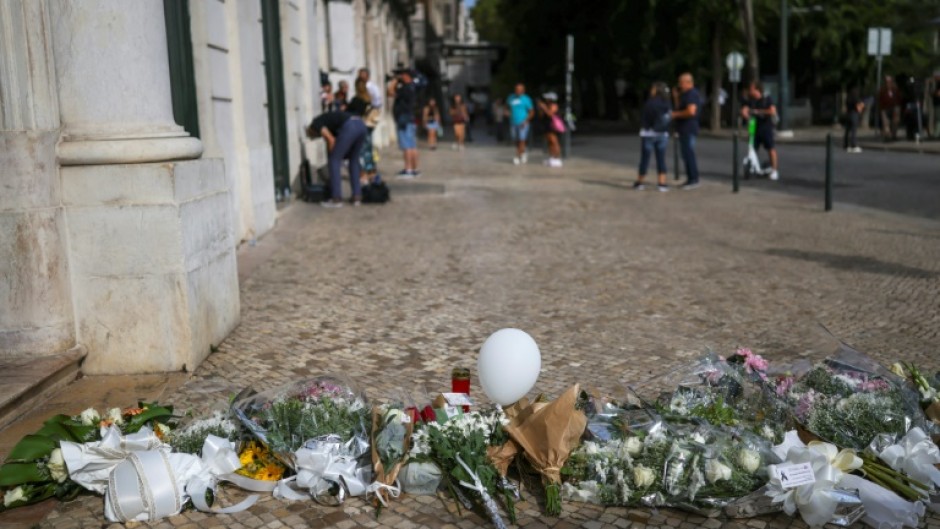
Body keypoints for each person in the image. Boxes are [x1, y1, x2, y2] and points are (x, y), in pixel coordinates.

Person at [306, 111, 368, 207]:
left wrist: (333, 154)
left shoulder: (316, 124)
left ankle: (336, 199)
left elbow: (331, 139)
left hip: (350, 126)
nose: (315, 137)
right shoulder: (329, 124)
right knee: (354, 160)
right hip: (361, 125)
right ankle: (357, 196)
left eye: (313, 136)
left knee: (334, 160)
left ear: (312, 130)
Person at [634, 83, 671, 191]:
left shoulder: (650, 103)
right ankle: (662, 183)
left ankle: (640, 182)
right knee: (661, 158)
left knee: (645, 158)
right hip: (662, 133)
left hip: (648, 133)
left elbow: (645, 118)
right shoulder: (667, 103)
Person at [741, 81, 779, 181]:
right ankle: (753, 167)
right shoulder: (751, 100)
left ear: (757, 90)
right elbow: (745, 109)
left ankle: (774, 171)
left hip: (766, 127)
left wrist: (758, 111)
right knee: (752, 148)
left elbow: (772, 111)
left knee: (770, 148)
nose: (750, 90)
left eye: (752, 89)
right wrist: (745, 114)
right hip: (754, 127)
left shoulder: (766, 98)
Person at [671, 73, 702, 189]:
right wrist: (676, 98)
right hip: (683, 128)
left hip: (689, 127)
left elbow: (691, 111)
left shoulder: (691, 94)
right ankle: (690, 178)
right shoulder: (685, 94)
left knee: (689, 154)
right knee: (685, 154)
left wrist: (675, 114)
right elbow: (679, 107)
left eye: (681, 82)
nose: (679, 85)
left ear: (688, 82)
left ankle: (693, 179)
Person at [389, 68, 419, 177]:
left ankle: (408, 169)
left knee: (406, 146)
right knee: (412, 145)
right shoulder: (412, 87)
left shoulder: (405, 88)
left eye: (403, 75)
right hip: (409, 118)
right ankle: (414, 169)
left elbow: (390, 92)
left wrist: (394, 81)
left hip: (404, 119)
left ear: (406, 76)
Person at [347, 79, 379, 184]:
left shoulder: (356, 100)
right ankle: (372, 174)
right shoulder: (370, 99)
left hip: (360, 126)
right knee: (368, 150)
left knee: (361, 151)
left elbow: (350, 113)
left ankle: (364, 174)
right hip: (369, 126)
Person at [507, 83, 534, 165]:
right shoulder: (511, 98)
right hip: (513, 122)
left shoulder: (526, 99)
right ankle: (523, 152)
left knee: (522, 139)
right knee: (515, 139)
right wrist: (507, 112)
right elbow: (507, 107)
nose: (518, 91)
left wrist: (526, 120)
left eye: (520, 89)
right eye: (516, 89)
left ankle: (517, 156)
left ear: (523, 90)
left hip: (523, 122)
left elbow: (531, 112)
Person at [537, 92, 563, 167]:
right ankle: (552, 157)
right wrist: (540, 108)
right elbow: (541, 116)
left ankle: (557, 158)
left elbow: (550, 114)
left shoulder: (554, 105)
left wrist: (544, 108)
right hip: (546, 125)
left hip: (553, 125)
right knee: (549, 142)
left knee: (554, 141)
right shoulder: (546, 106)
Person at [879, 75, 901, 141]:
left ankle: (894, 135)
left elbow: (898, 100)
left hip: (894, 108)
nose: (888, 84)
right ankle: (887, 136)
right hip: (885, 108)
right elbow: (880, 100)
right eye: (886, 82)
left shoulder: (895, 90)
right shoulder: (882, 90)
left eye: (889, 82)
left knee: (895, 121)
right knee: (886, 123)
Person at [843, 88, 864, 153]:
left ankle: (846, 144)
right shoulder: (856, 98)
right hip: (854, 114)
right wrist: (862, 106)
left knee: (847, 130)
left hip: (848, 114)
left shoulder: (848, 98)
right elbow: (859, 106)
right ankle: (853, 144)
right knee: (853, 130)